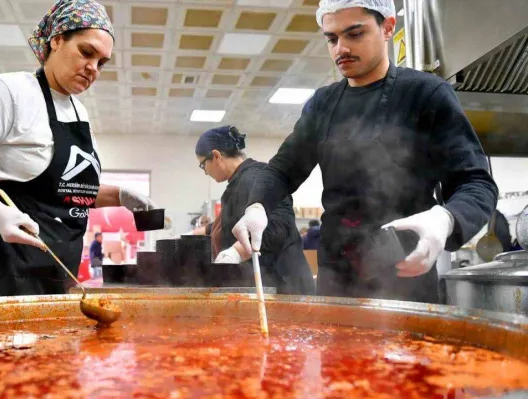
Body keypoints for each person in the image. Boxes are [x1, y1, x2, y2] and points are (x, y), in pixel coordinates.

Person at [232, 0, 498, 303]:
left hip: (405, 277)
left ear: (387, 27)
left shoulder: (425, 94)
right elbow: (282, 170)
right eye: (332, 39)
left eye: (354, 34)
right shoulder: (323, 104)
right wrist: (257, 207)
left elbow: (476, 183)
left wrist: (447, 218)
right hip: (336, 279)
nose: (340, 49)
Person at [0, 0, 156, 299]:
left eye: (102, 62)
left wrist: (119, 196)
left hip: (53, 273)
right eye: (86, 52)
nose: (93, 68)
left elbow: (64, 189)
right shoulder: (9, 93)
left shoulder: (79, 113)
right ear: (57, 40)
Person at [190, 126, 314, 295]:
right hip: (268, 285)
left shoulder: (257, 177)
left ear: (216, 156)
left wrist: (236, 252)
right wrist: (197, 233)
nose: (205, 172)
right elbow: (234, 222)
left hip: (285, 288)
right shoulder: (236, 184)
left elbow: (278, 226)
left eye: (203, 165)